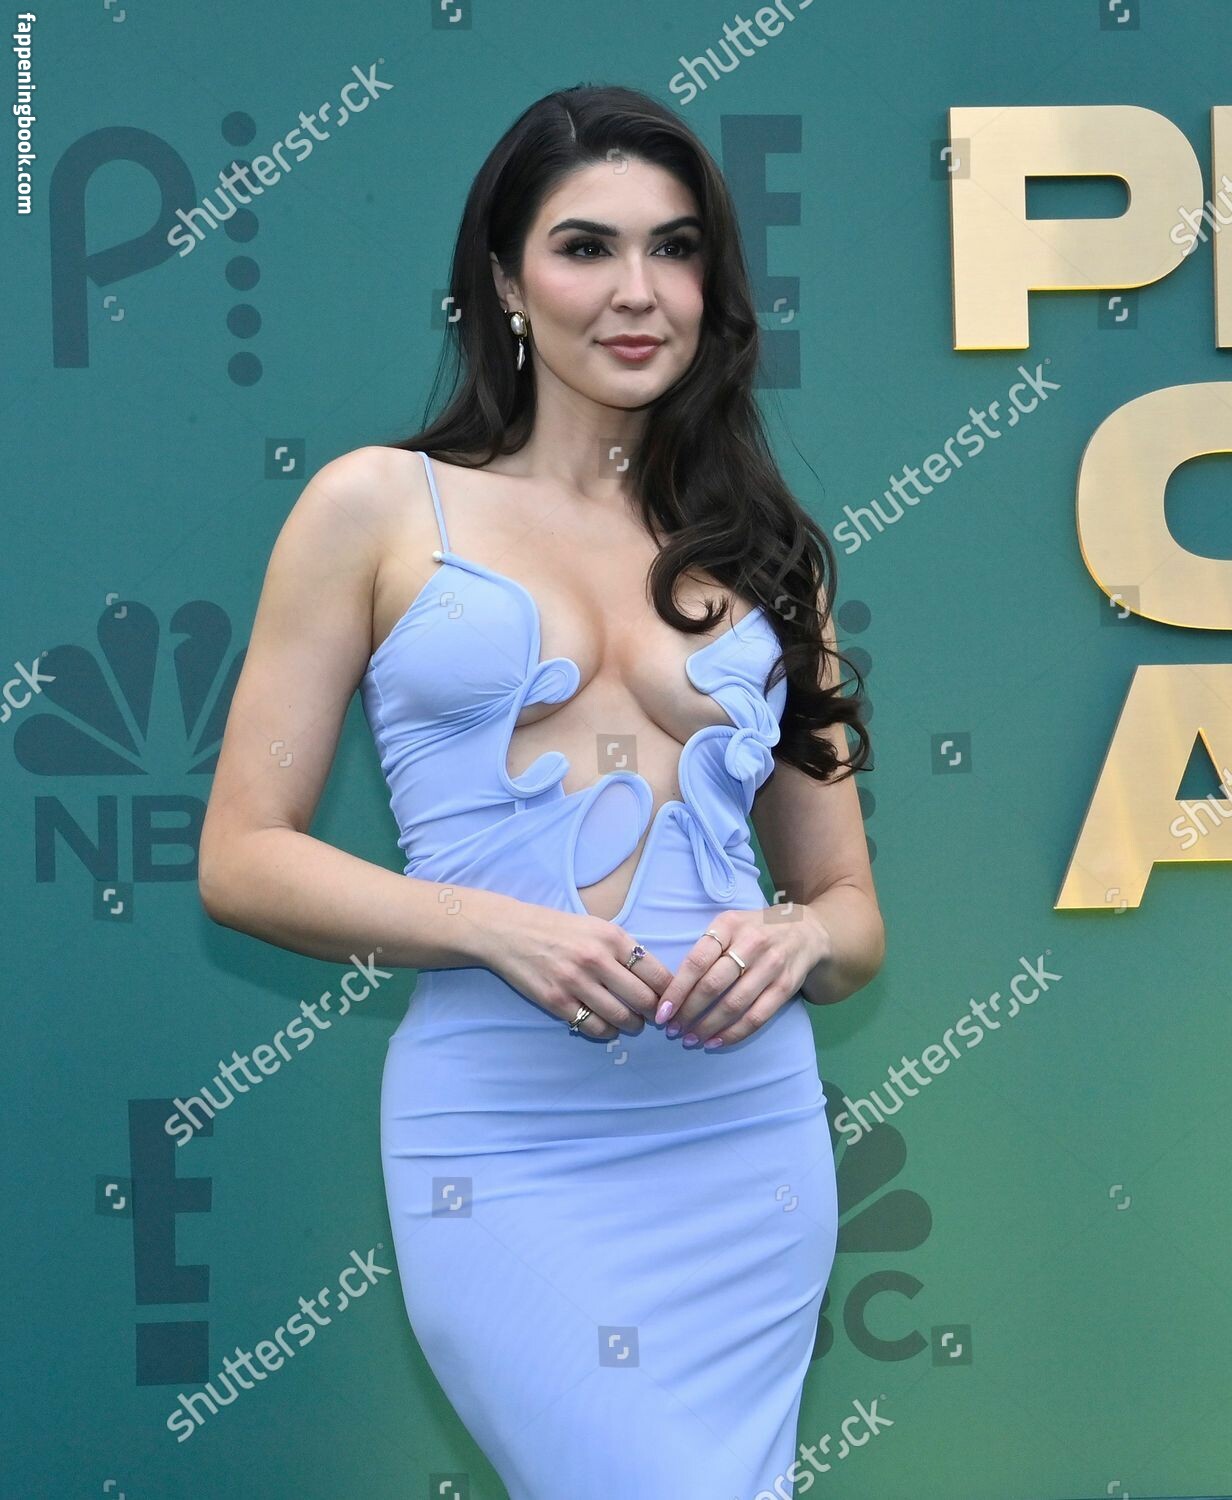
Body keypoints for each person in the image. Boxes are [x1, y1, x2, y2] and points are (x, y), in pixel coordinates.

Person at [199, 82, 883, 1500]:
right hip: (502, 1145)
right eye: (585, 247)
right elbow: (245, 858)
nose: (638, 291)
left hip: (742, 1139)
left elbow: (849, 908)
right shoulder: (375, 507)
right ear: (505, 282)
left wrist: (801, 938)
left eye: (675, 248)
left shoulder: (771, 553)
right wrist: (497, 930)